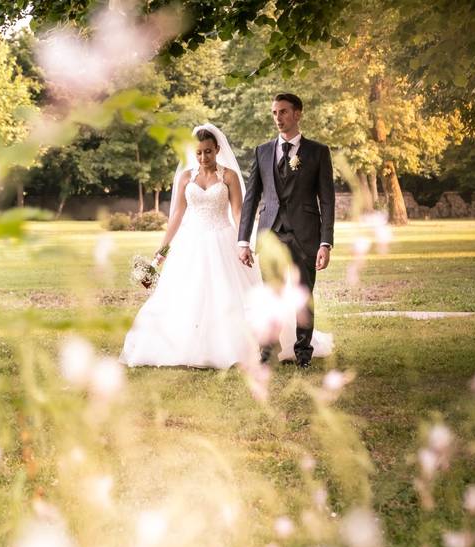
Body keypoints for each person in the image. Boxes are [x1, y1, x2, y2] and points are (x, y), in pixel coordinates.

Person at [119, 123, 332, 369]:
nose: (203, 157)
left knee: (231, 293)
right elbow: (176, 214)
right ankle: (185, 347)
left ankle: (261, 346)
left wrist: (246, 242)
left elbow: (239, 212)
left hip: (223, 238)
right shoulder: (185, 177)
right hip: (191, 242)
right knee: (186, 295)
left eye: (208, 151)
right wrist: (162, 250)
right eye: (198, 152)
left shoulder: (228, 175)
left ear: (217, 149)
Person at [238, 93, 335, 369]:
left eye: (283, 112)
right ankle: (267, 350)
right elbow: (251, 198)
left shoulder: (317, 152)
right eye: (274, 113)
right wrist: (243, 240)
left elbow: (327, 200)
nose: (278, 118)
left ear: (297, 114)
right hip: (271, 235)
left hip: (305, 236)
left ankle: (304, 353)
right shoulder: (263, 151)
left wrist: (325, 242)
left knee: (303, 295)